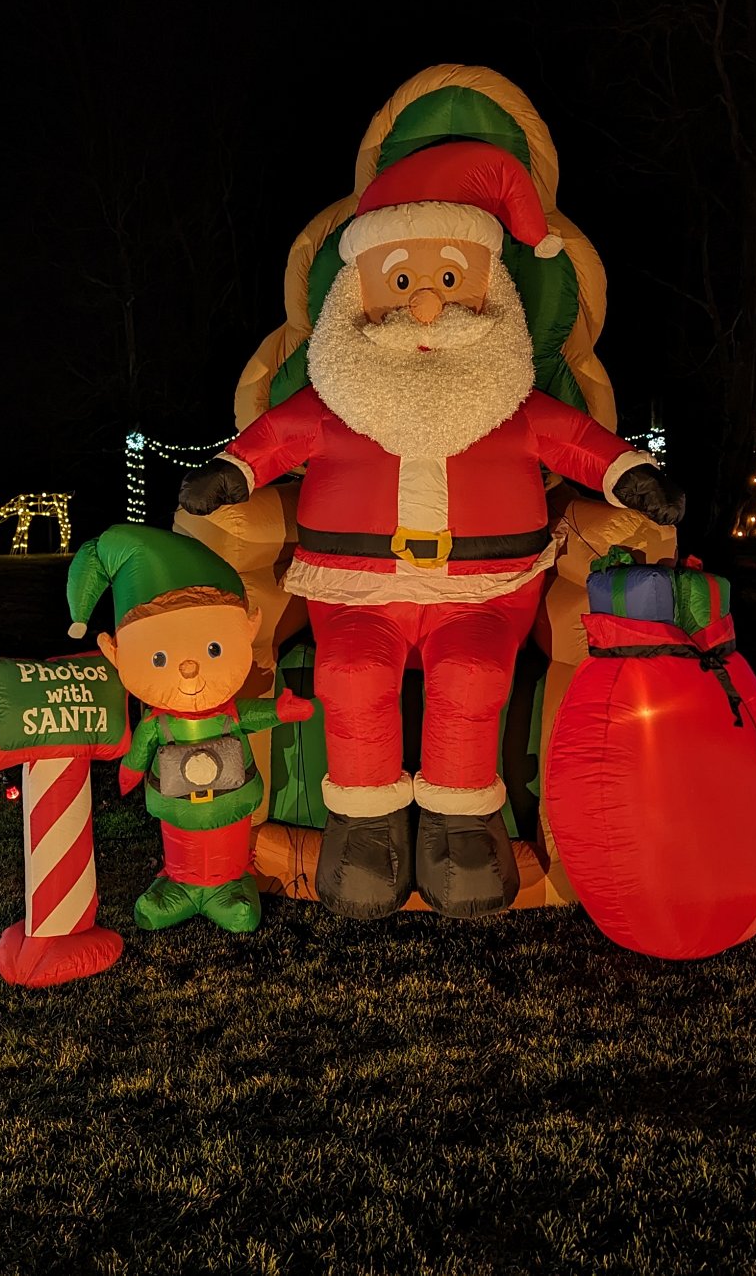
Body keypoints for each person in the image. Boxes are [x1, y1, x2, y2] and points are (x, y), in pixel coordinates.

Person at [180, 140, 683, 921]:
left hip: (485, 591)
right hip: (356, 590)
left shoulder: (513, 403)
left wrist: (631, 475)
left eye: (448, 280)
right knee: (351, 675)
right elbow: (273, 440)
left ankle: (462, 830)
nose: (423, 306)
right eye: (402, 282)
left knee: (473, 676)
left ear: (489, 289)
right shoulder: (334, 399)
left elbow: (580, 444)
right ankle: (363, 832)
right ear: (358, 291)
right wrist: (230, 473)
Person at [69, 524, 313, 932]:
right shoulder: (160, 724)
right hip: (178, 814)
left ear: (249, 627)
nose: (188, 669)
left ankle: (229, 885)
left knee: (228, 858)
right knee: (182, 848)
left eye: (213, 648)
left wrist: (278, 711)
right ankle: (180, 885)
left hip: (229, 808)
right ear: (115, 653)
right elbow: (142, 747)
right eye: (159, 659)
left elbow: (248, 714)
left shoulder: (227, 714)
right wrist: (130, 769)